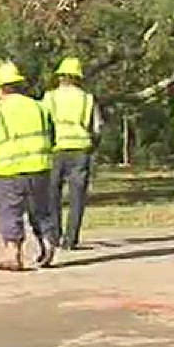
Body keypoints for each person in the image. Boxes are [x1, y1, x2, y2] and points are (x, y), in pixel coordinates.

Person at [0, 62, 58, 271]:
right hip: (39, 169)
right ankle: (47, 243)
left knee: (9, 212)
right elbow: (52, 136)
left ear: (0, 88)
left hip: (6, 173)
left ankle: (13, 253)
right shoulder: (40, 108)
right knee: (41, 211)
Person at [41, 56, 103, 250]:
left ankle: (54, 236)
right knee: (77, 197)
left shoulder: (50, 97)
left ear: (61, 77)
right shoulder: (87, 98)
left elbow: (43, 123)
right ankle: (71, 240)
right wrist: (93, 145)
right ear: (78, 78)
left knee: (52, 195)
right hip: (81, 150)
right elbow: (98, 126)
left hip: (57, 149)